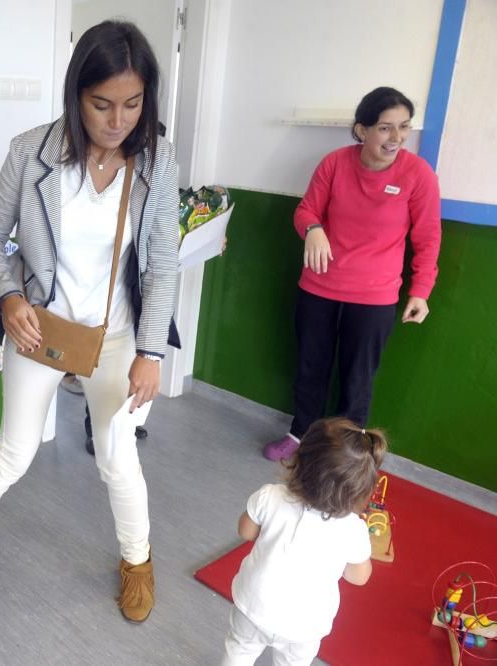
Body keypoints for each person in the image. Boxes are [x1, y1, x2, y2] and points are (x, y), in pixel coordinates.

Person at [0, 20, 180, 624]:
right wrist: (11, 297)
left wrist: (151, 350)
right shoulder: (31, 153)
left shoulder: (156, 162)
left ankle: (138, 563)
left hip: (117, 338)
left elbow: (163, 261)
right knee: (15, 453)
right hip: (39, 331)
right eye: (102, 104)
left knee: (118, 459)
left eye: (132, 104)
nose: (117, 119)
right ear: (76, 94)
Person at [263, 86, 441, 461]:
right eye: (385, 128)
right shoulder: (334, 163)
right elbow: (306, 211)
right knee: (311, 367)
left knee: (357, 380)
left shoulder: (418, 174)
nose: (396, 138)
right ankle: (300, 437)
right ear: (361, 130)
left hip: (374, 298)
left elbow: (427, 238)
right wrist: (312, 229)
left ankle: (344, 456)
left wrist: (421, 290)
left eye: (404, 127)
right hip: (319, 288)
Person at [223, 417, 387, 665]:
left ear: (299, 461)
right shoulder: (354, 529)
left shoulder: (270, 495)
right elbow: (358, 577)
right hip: (305, 624)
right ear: (360, 490)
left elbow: (245, 531)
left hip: (253, 605)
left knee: (239, 651)